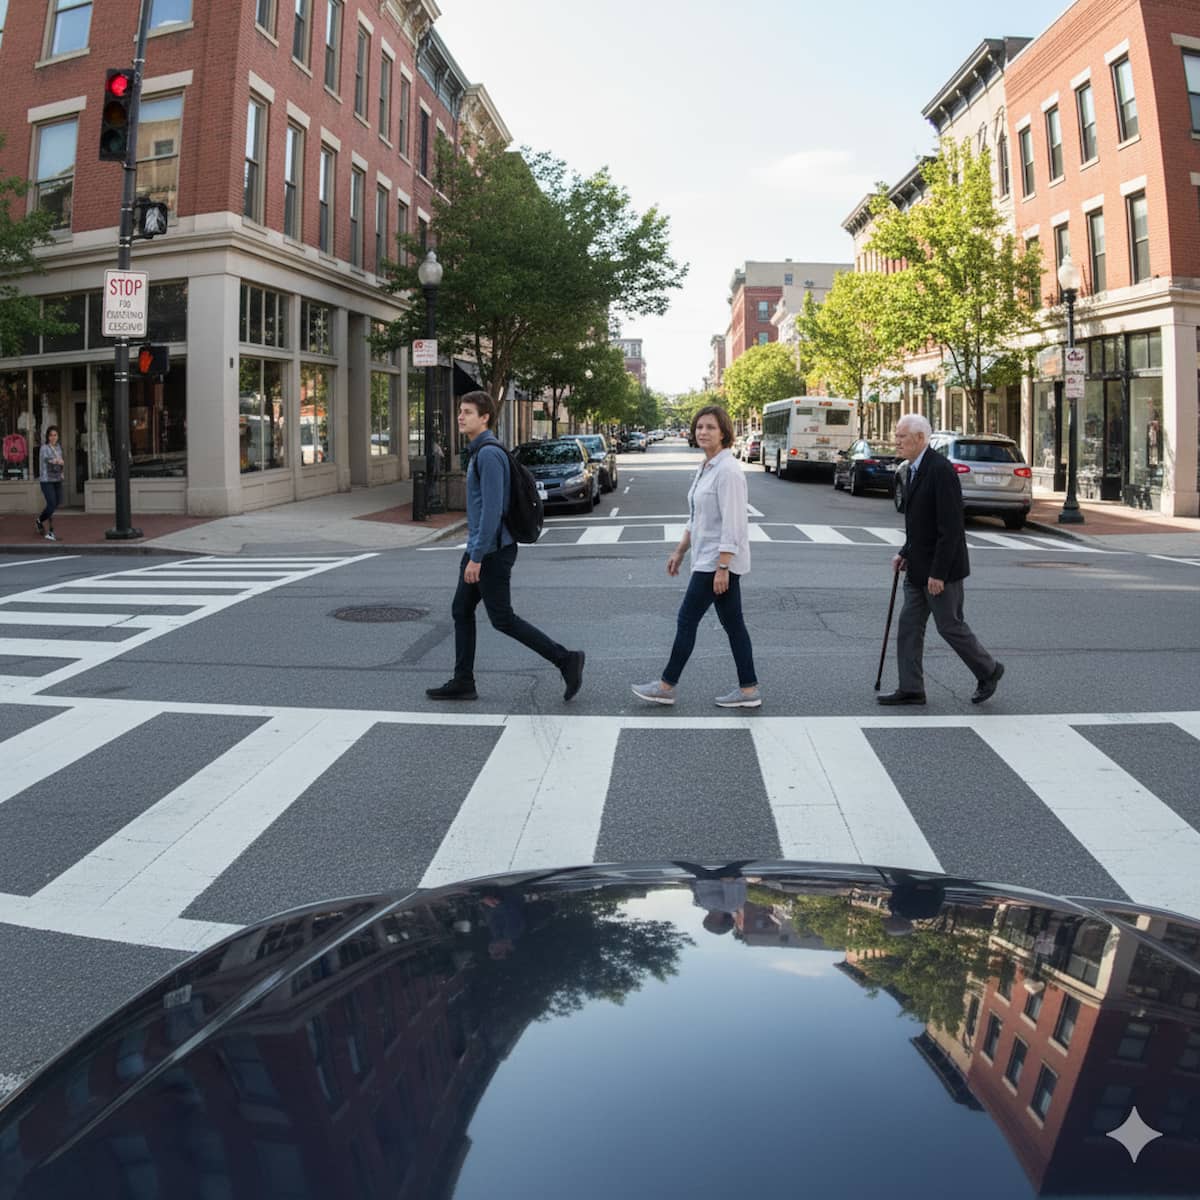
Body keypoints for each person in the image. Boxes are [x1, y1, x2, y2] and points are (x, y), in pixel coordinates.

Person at [426, 390, 584, 703]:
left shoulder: (488, 454)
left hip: (491, 551)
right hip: (482, 548)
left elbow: (493, 510)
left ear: (485, 417)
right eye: (460, 410)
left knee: (502, 618)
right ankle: (463, 681)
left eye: (468, 412)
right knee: (461, 610)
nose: (460, 416)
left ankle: (566, 659)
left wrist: (477, 557)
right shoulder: (480, 451)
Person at [633, 404, 760, 708]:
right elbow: (697, 517)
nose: (703, 432)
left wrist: (723, 566)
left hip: (715, 562)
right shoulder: (707, 466)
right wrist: (680, 550)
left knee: (687, 619)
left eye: (710, 427)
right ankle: (749, 690)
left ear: (724, 432)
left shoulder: (728, 471)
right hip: (708, 558)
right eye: (699, 427)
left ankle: (666, 685)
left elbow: (733, 523)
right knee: (734, 625)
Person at [880, 413, 1003, 706]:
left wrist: (938, 573)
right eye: (896, 436)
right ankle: (911, 688)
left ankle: (989, 670)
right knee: (909, 627)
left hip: (940, 570)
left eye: (901, 436)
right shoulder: (912, 469)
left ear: (920, 438)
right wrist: (904, 552)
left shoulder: (940, 470)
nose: (896, 441)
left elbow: (951, 528)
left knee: (950, 626)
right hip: (917, 566)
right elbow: (920, 523)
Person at [36, 425, 64, 542]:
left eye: (55, 435)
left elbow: (61, 463)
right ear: (48, 436)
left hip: (57, 479)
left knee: (57, 503)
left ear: (58, 436)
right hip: (46, 480)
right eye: (51, 435)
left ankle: (39, 520)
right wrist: (56, 461)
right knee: (51, 504)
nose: (53, 437)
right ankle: (51, 532)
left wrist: (62, 472)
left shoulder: (58, 448)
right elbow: (47, 459)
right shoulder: (44, 448)